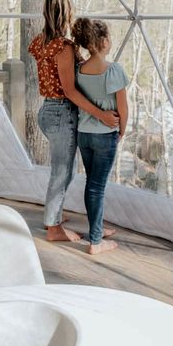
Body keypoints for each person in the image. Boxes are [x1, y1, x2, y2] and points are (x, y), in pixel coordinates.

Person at [28, 0, 119, 242]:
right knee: (62, 172)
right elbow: (69, 90)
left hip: (48, 111)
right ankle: (53, 227)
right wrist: (102, 114)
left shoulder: (40, 41)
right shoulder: (63, 46)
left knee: (62, 170)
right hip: (61, 113)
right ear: (68, 12)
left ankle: (53, 215)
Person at [72, 17, 129, 255]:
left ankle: (97, 229)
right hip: (105, 136)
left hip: (84, 135)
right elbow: (122, 107)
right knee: (97, 187)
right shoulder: (113, 70)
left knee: (92, 184)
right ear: (104, 41)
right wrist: (122, 130)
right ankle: (96, 241)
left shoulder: (79, 70)